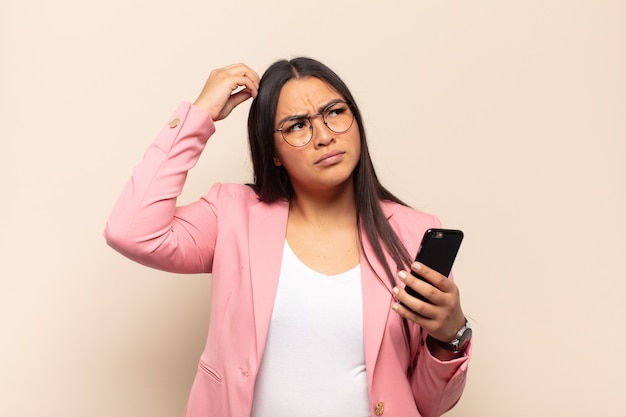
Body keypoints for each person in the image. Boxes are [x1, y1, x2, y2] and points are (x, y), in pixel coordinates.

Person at [104, 57, 471, 417]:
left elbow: (427, 405)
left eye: (335, 112)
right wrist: (198, 116)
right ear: (273, 152)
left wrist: (448, 338)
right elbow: (131, 231)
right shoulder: (232, 214)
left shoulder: (411, 234)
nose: (325, 136)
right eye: (296, 126)